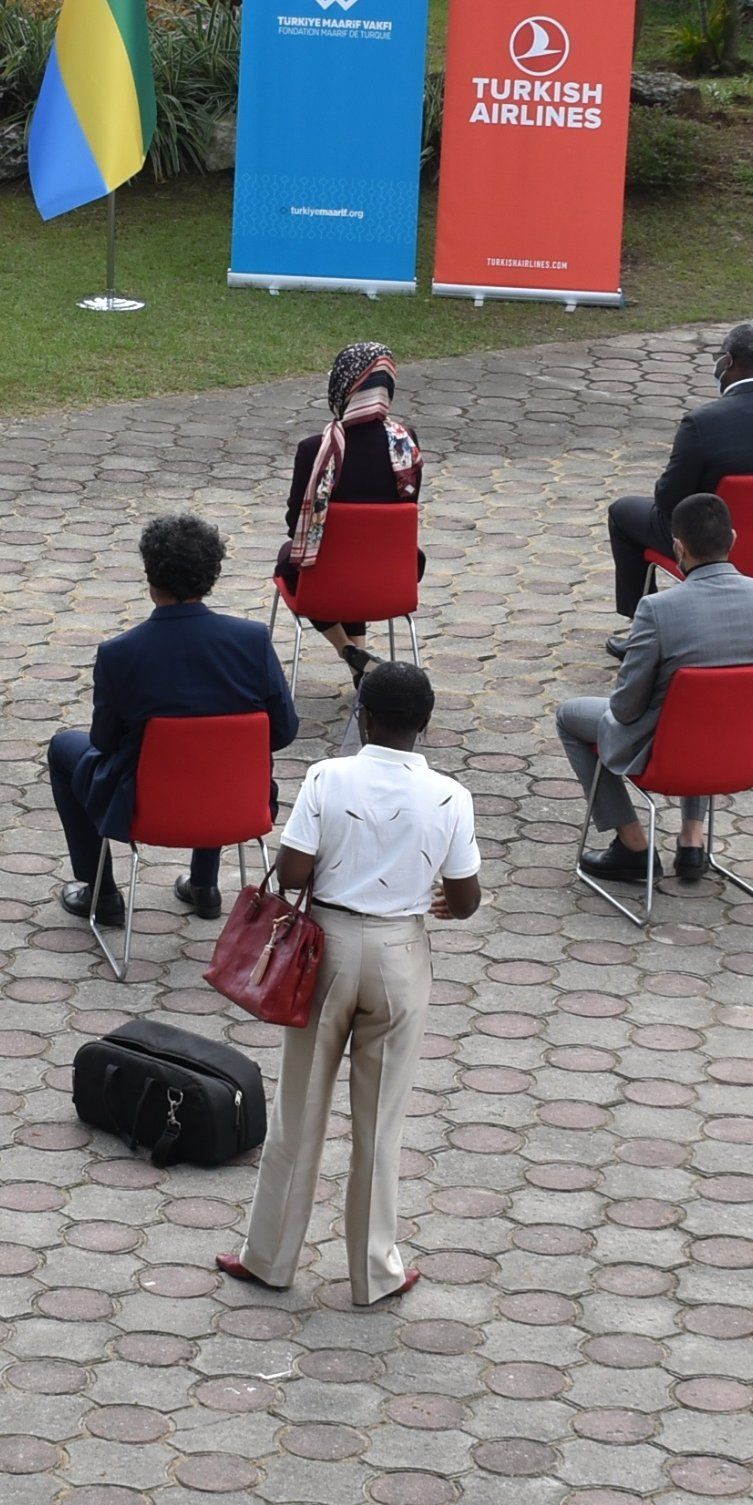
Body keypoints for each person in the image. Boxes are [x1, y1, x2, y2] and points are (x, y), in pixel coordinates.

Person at [219, 661, 480, 1310]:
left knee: (299, 1112)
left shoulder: (326, 777)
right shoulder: (450, 795)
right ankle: (375, 1272)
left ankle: (271, 1257)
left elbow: (293, 867)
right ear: (426, 724)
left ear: (361, 713)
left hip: (323, 952)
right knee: (379, 1123)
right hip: (399, 956)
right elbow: (466, 896)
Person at [45, 514, 297, 927]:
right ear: (212, 574)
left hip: (146, 806)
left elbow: (104, 742)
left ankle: (102, 894)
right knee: (217, 745)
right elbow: (283, 732)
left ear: (149, 575)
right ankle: (204, 884)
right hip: (237, 802)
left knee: (63, 749)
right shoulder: (252, 641)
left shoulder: (121, 653)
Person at [558, 491, 753, 886]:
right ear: (732, 539)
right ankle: (692, 840)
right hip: (746, 753)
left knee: (569, 716)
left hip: (670, 756)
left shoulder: (658, 609)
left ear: (678, 548)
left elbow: (627, 708)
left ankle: (633, 847)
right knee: (705, 707)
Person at [607, 321, 753, 619]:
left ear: (728, 361)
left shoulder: (702, 422)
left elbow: (669, 500)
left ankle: (644, 632)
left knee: (622, 513)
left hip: (709, 547)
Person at [276, 341, 423, 673]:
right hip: (393, 579)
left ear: (343, 387)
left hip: (325, 583)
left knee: (296, 561)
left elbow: (293, 525)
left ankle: (349, 653)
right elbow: (409, 506)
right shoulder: (407, 443)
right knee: (356, 558)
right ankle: (362, 669)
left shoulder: (314, 450)